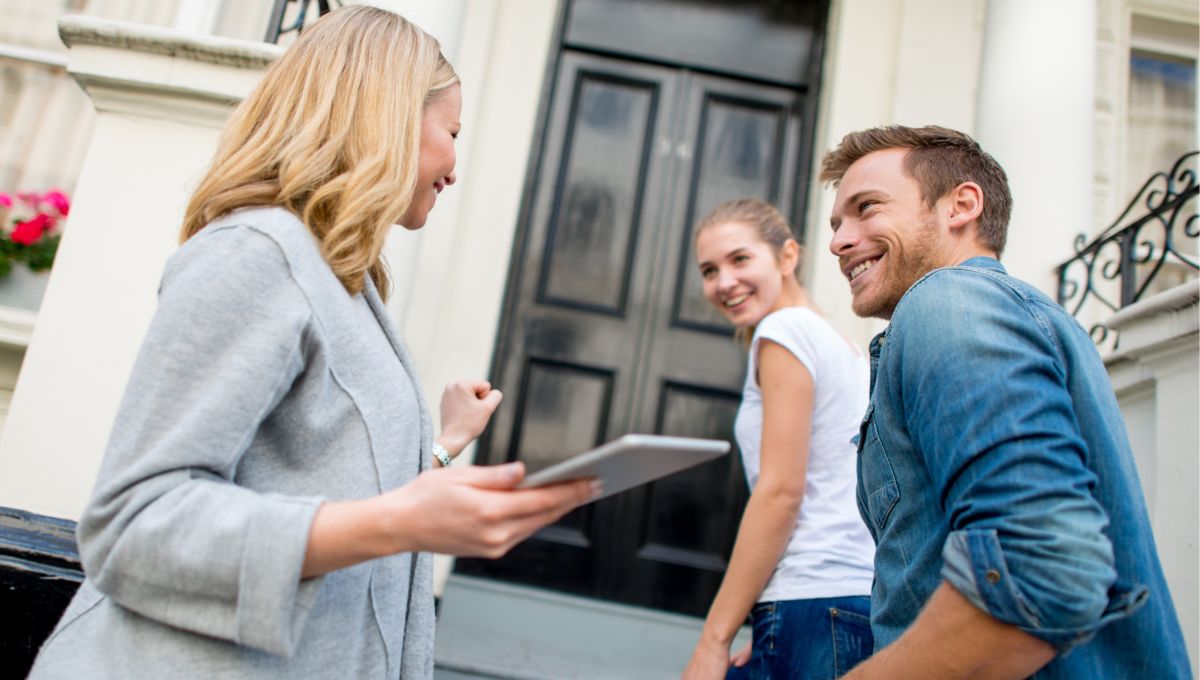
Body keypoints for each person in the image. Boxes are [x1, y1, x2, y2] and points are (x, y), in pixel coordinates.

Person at [29, 6, 595, 679]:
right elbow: (134, 523)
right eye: (451, 132)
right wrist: (395, 524)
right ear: (384, 116)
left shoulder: (343, 281)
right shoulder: (254, 255)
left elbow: (316, 478)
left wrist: (440, 448)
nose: (454, 167)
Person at [820, 124, 1191, 679]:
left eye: (866, 207)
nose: (839, 241)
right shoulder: (1020, 314)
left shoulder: (949, 302)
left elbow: (1043, 568)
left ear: (961, 206)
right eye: (836, 224)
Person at [682, 199, 875, 680]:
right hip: (848, 598)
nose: (724, 282)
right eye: (709, 270)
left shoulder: (784, 330)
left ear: (787, 257)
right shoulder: (841, 344)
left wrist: (714, 639)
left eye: (740, 259)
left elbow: (782, 492)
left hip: (812, 596)